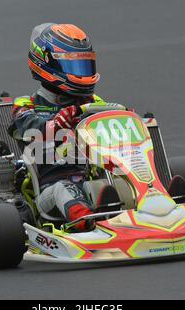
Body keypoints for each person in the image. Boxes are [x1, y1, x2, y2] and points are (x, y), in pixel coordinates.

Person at [11, 23, 119, 231]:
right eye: (74, 67)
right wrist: (56, 123)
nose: (82, 73)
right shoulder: (26, 104)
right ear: (46, 64)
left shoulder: (94, 101)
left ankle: (157, 203)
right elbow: (28, 129)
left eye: (85, 65)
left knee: (116, 184)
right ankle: (87, 223)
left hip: (92, 180)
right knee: (65, 189)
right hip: (49, 190)